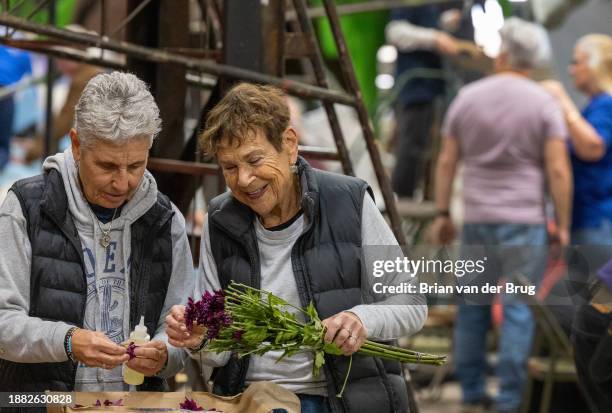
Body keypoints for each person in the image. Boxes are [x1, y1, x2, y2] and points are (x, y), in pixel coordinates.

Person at [166, 83, 428, 413]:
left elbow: (412, 303)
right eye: (230, 167)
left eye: (254, 159)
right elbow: (219, 352)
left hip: (341, 402)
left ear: (289, 145)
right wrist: (200, 338)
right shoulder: (220, 220)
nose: (244, 179)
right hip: (254, 401)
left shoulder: (348, 202)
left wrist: (361, 319)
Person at [0, 72, 193, 395]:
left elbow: (181, 336)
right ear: (76, 145)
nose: (122, 183)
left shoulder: (166, 221)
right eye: (106, 166)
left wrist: (163, 355)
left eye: (136, 166)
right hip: (37, 402)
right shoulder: (26, 208)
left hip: (133, 405)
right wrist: (67, 341)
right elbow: (3, 323)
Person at [432, 18, 572, 413]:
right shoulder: (543, 102)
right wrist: (561, 223)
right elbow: (559, 169)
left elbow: (447, 162)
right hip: (525, 222)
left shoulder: (468, 97)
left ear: (505, 54)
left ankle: (472, 392)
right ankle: (509, 400)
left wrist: (444, 212)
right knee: (518, 308)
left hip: (476, 218)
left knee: (472, 307)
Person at [541, 34, 612, 247]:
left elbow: (592, 147)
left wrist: (561, 100)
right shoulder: (594, 107)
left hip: (599, 222)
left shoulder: (606, 105)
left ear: (595, 64)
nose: (571, 70)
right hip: (588, 221)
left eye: (576, 62)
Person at [385, 5, 460, 199]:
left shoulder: (432, 7)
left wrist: (444, 24)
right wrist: (434, 38)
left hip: (435, 86)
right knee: (412, 146)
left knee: (432, 149)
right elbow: (395, 32)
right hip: (416, 86)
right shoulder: (410, 4)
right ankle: (402, 199)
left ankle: (427, 197)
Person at [0, 45, 31, 171]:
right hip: (8, 93)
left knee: (3, 143)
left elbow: (28, 78)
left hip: (8, 93)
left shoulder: (24, 51)